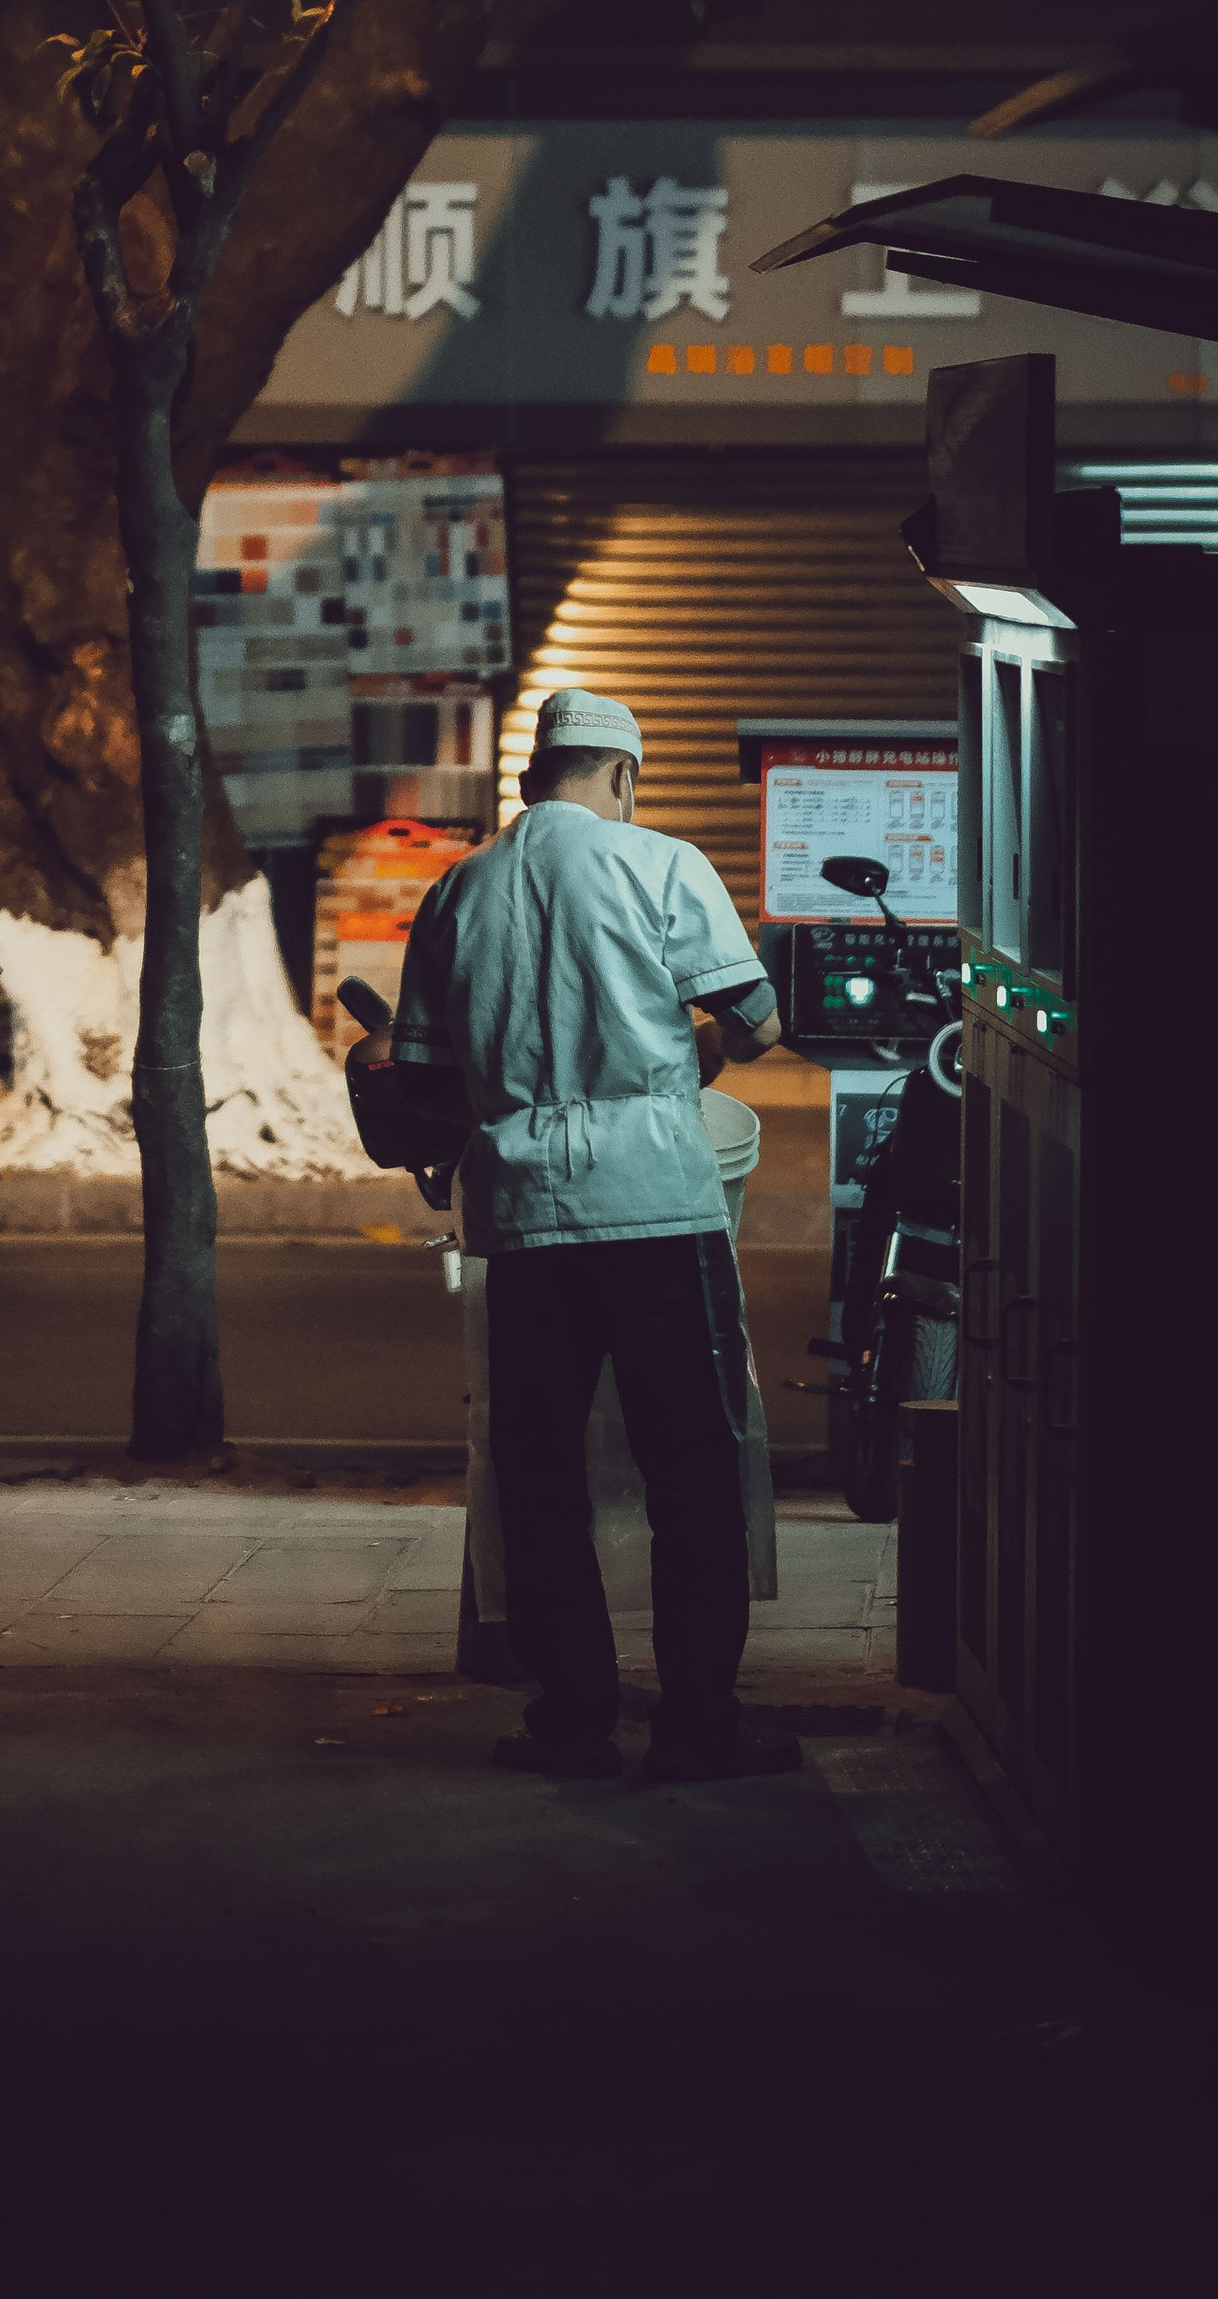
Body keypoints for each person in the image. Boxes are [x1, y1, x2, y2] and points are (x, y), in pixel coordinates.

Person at [389, 686, 796, 1784]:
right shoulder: (662, 865)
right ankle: (695, 1724)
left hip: (519, 1215)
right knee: (692, 1468)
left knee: (537, 1470)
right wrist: (690, 1045)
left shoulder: (458, 889)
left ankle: (570, 1721)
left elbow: (422, 1074)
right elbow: (756, 1024)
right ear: (621, 775)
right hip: (655, 1205)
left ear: (534, 776)